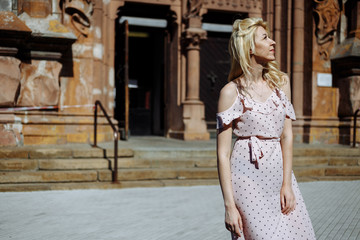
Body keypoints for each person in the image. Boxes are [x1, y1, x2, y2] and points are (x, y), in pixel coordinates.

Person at [216, 17, 316, 240]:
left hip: (279, 173)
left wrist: (287, 184)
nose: (273, 42)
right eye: (265, 38)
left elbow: (287, 136)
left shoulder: (282, 83)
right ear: (249, 47)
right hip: (246, 178)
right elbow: (223, 153)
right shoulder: (230, 92)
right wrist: (229, 206)